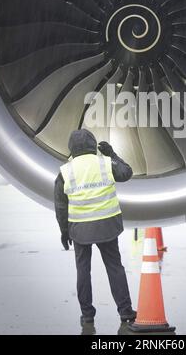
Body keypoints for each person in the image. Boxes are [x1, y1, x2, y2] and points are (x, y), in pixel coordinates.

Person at [54, 129, 136, 327]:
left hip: (80, 229)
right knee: (115, 267)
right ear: (93, 144)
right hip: (107, 226)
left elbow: (61, 206)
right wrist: (112, 154)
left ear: (71, 148)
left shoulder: (65, 171)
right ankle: (125, 311)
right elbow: (127, 173)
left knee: (83, 270)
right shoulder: (105, 163)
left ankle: (87, 315)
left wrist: (64, 232)